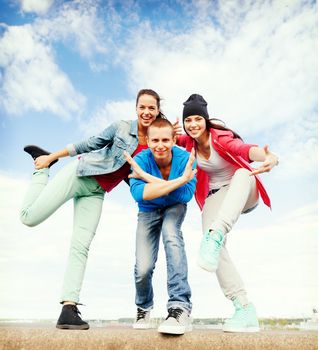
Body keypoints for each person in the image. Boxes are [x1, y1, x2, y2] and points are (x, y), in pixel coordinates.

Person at [20, 89, 167, 330]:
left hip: (96, 192)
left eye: (152, 108)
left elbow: (144, 177)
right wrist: (51, 158)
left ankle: (69, 308)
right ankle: (41, 169)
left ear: (158, 110)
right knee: (29, 218)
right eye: (142, 107)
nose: (147, 112)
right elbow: (88, 144)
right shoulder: (121, 128)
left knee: (81, 245)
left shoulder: (154, 144)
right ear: (136, 108)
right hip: (80, 174)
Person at [177, 94, 279, 333]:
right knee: (212, 247)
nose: (193, 124)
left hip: (245, 188)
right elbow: (161, 137)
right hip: (217, 196)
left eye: (197, 119)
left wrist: (269, 157)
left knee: (242, 174)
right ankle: (244, 308)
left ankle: (217, 231)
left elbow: (244, 149)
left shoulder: (220, 137)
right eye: (188, 120)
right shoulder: (186, 142)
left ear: (206, 119)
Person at [124, 118, 197, 335]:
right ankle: (143, 307)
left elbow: (186, 194)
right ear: (147, 140)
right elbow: (139, 194)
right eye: (155, 140)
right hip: (148, 210)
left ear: (174, 139)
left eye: (166, 139)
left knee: (171, 236)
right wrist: (179, 180)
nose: (160, 145)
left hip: (175, 207)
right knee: (143, 267)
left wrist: (148, 179)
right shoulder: (140, 159)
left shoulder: (186, 158)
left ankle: (179, 307)